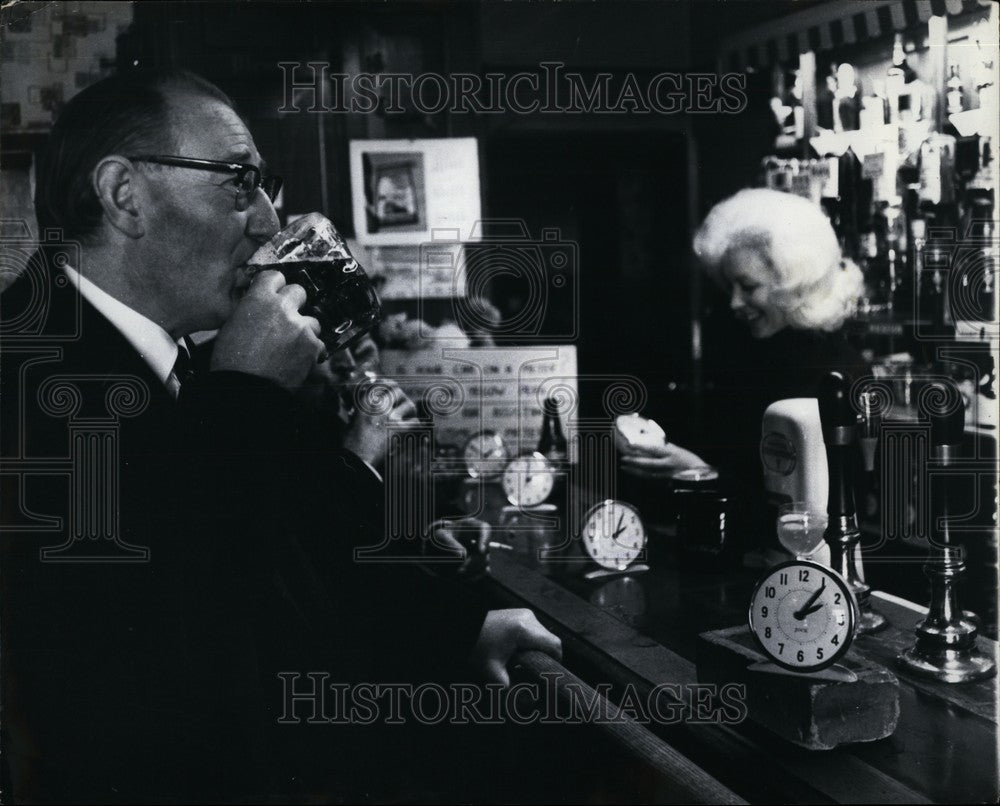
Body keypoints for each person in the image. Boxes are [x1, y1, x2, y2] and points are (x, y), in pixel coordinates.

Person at [0, 68, 560, 802]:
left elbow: (295, 553)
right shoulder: (28, 372)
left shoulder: (175, 349)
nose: (268, 221)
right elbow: (166, 662)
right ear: (123, 195)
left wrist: (454, 629)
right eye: (238, 181)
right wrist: (246, 392)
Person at [621, 189, 868, 532]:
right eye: (730, 287)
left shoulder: (837, 376)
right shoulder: (748, 354)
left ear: (793, 285)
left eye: (749, 287)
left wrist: (701, 476)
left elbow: (817, 515)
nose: (735, 303)